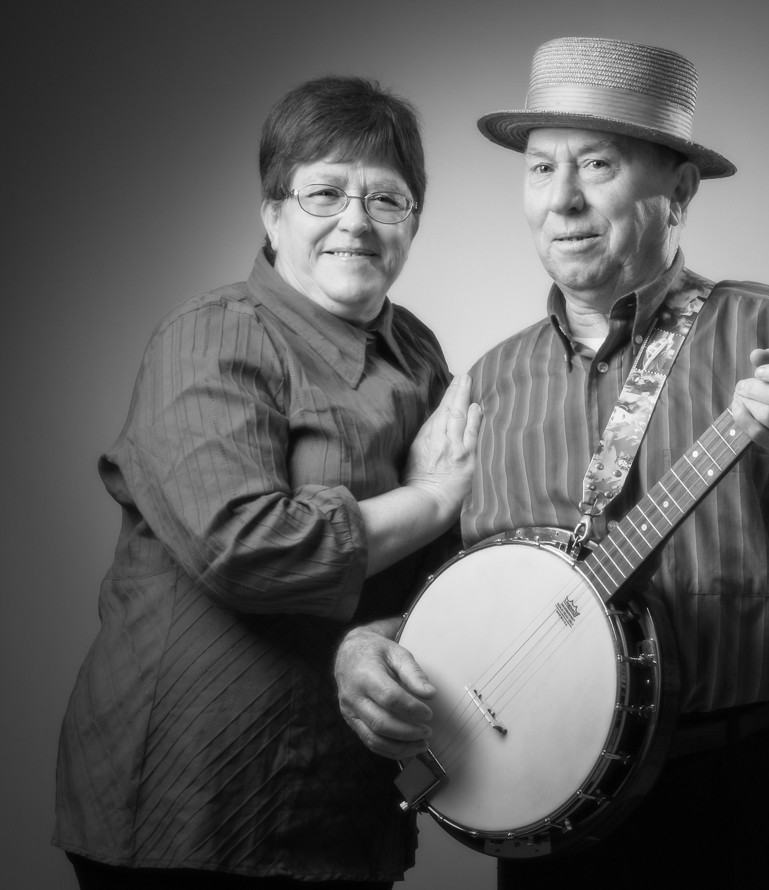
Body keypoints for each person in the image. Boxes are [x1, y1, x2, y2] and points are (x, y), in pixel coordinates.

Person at [335, 37, 769, 888]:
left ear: (680, 190)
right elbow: (451, 597)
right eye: (542, 170)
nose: (565, 200)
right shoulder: (487, 382)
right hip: (556, 817)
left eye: (597, 164)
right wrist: (367, 646)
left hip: (756, 790)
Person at [54, 76, 481, 889]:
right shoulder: (213, 334)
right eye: (324, 192)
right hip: (191, 797)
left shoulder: (418, 354)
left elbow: (449, 556)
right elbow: (244, 547)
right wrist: (429, 499)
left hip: (340, 796)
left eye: (386, 201)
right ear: (272, 212)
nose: (355, 221)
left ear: (413, 225)